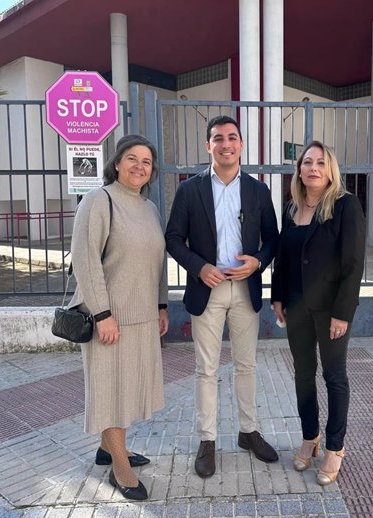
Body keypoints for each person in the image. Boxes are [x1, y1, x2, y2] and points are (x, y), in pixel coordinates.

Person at [165, 115, 279, 478]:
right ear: (208, 146)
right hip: (207, 289)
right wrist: (199, 267)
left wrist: (258, 262)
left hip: (245, 289)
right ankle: (207, 440)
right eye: (218, 138)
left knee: (246, 366)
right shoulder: (189, 189)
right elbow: (172, 239)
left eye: (232, 138)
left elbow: (273, 239)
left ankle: (248, 432)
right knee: (206, 369)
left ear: (241, 145)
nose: (225, 144)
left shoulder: (258, 190)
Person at [69, 134, 169, 501]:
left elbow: (158, 263)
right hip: (109, 318)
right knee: (110, 391)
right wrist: (102, 314)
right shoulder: (99, 201)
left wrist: (161, 305)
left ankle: (106, 447)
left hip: (142, 315)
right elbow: (85, 260)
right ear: (116, 163)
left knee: (126, 388)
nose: (139, 166)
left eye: (146, 161)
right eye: (132, 158)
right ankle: (119, 468)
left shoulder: (149, 208)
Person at [271, 141, 365, 485]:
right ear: (299, 170)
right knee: (302, 375)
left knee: (334, 376)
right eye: (307, 162)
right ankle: (310, 437)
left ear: (330, 170)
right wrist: (277, 296)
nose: (313, 168)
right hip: (296, 308)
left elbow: (353, 264)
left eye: (320, 163)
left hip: (330, 311)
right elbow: (283, 258)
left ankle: (335, 447)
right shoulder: (291, 209)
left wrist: (343, 312)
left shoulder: (345, 206)